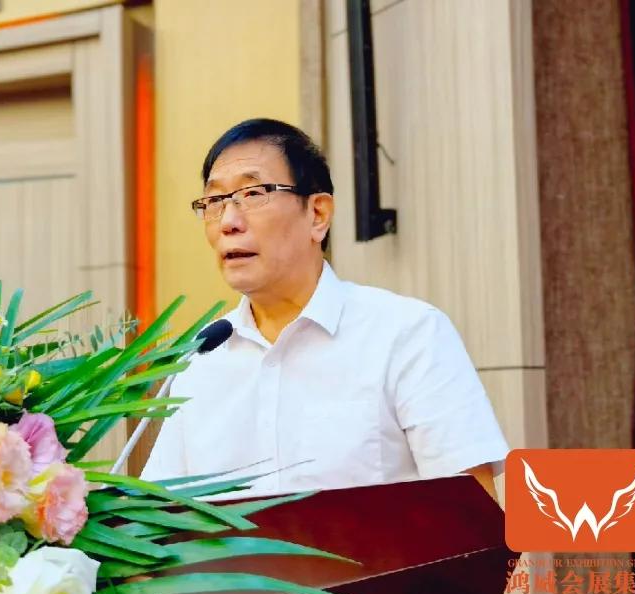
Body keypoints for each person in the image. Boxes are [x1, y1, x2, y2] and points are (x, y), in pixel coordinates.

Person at [140, 118, 509, 499]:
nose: (229, 222)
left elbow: (473, 515)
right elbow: (156, 517)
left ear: (317, 214)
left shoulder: (408, 335)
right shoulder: (200, 360)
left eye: (253, 194)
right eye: (215, 202)